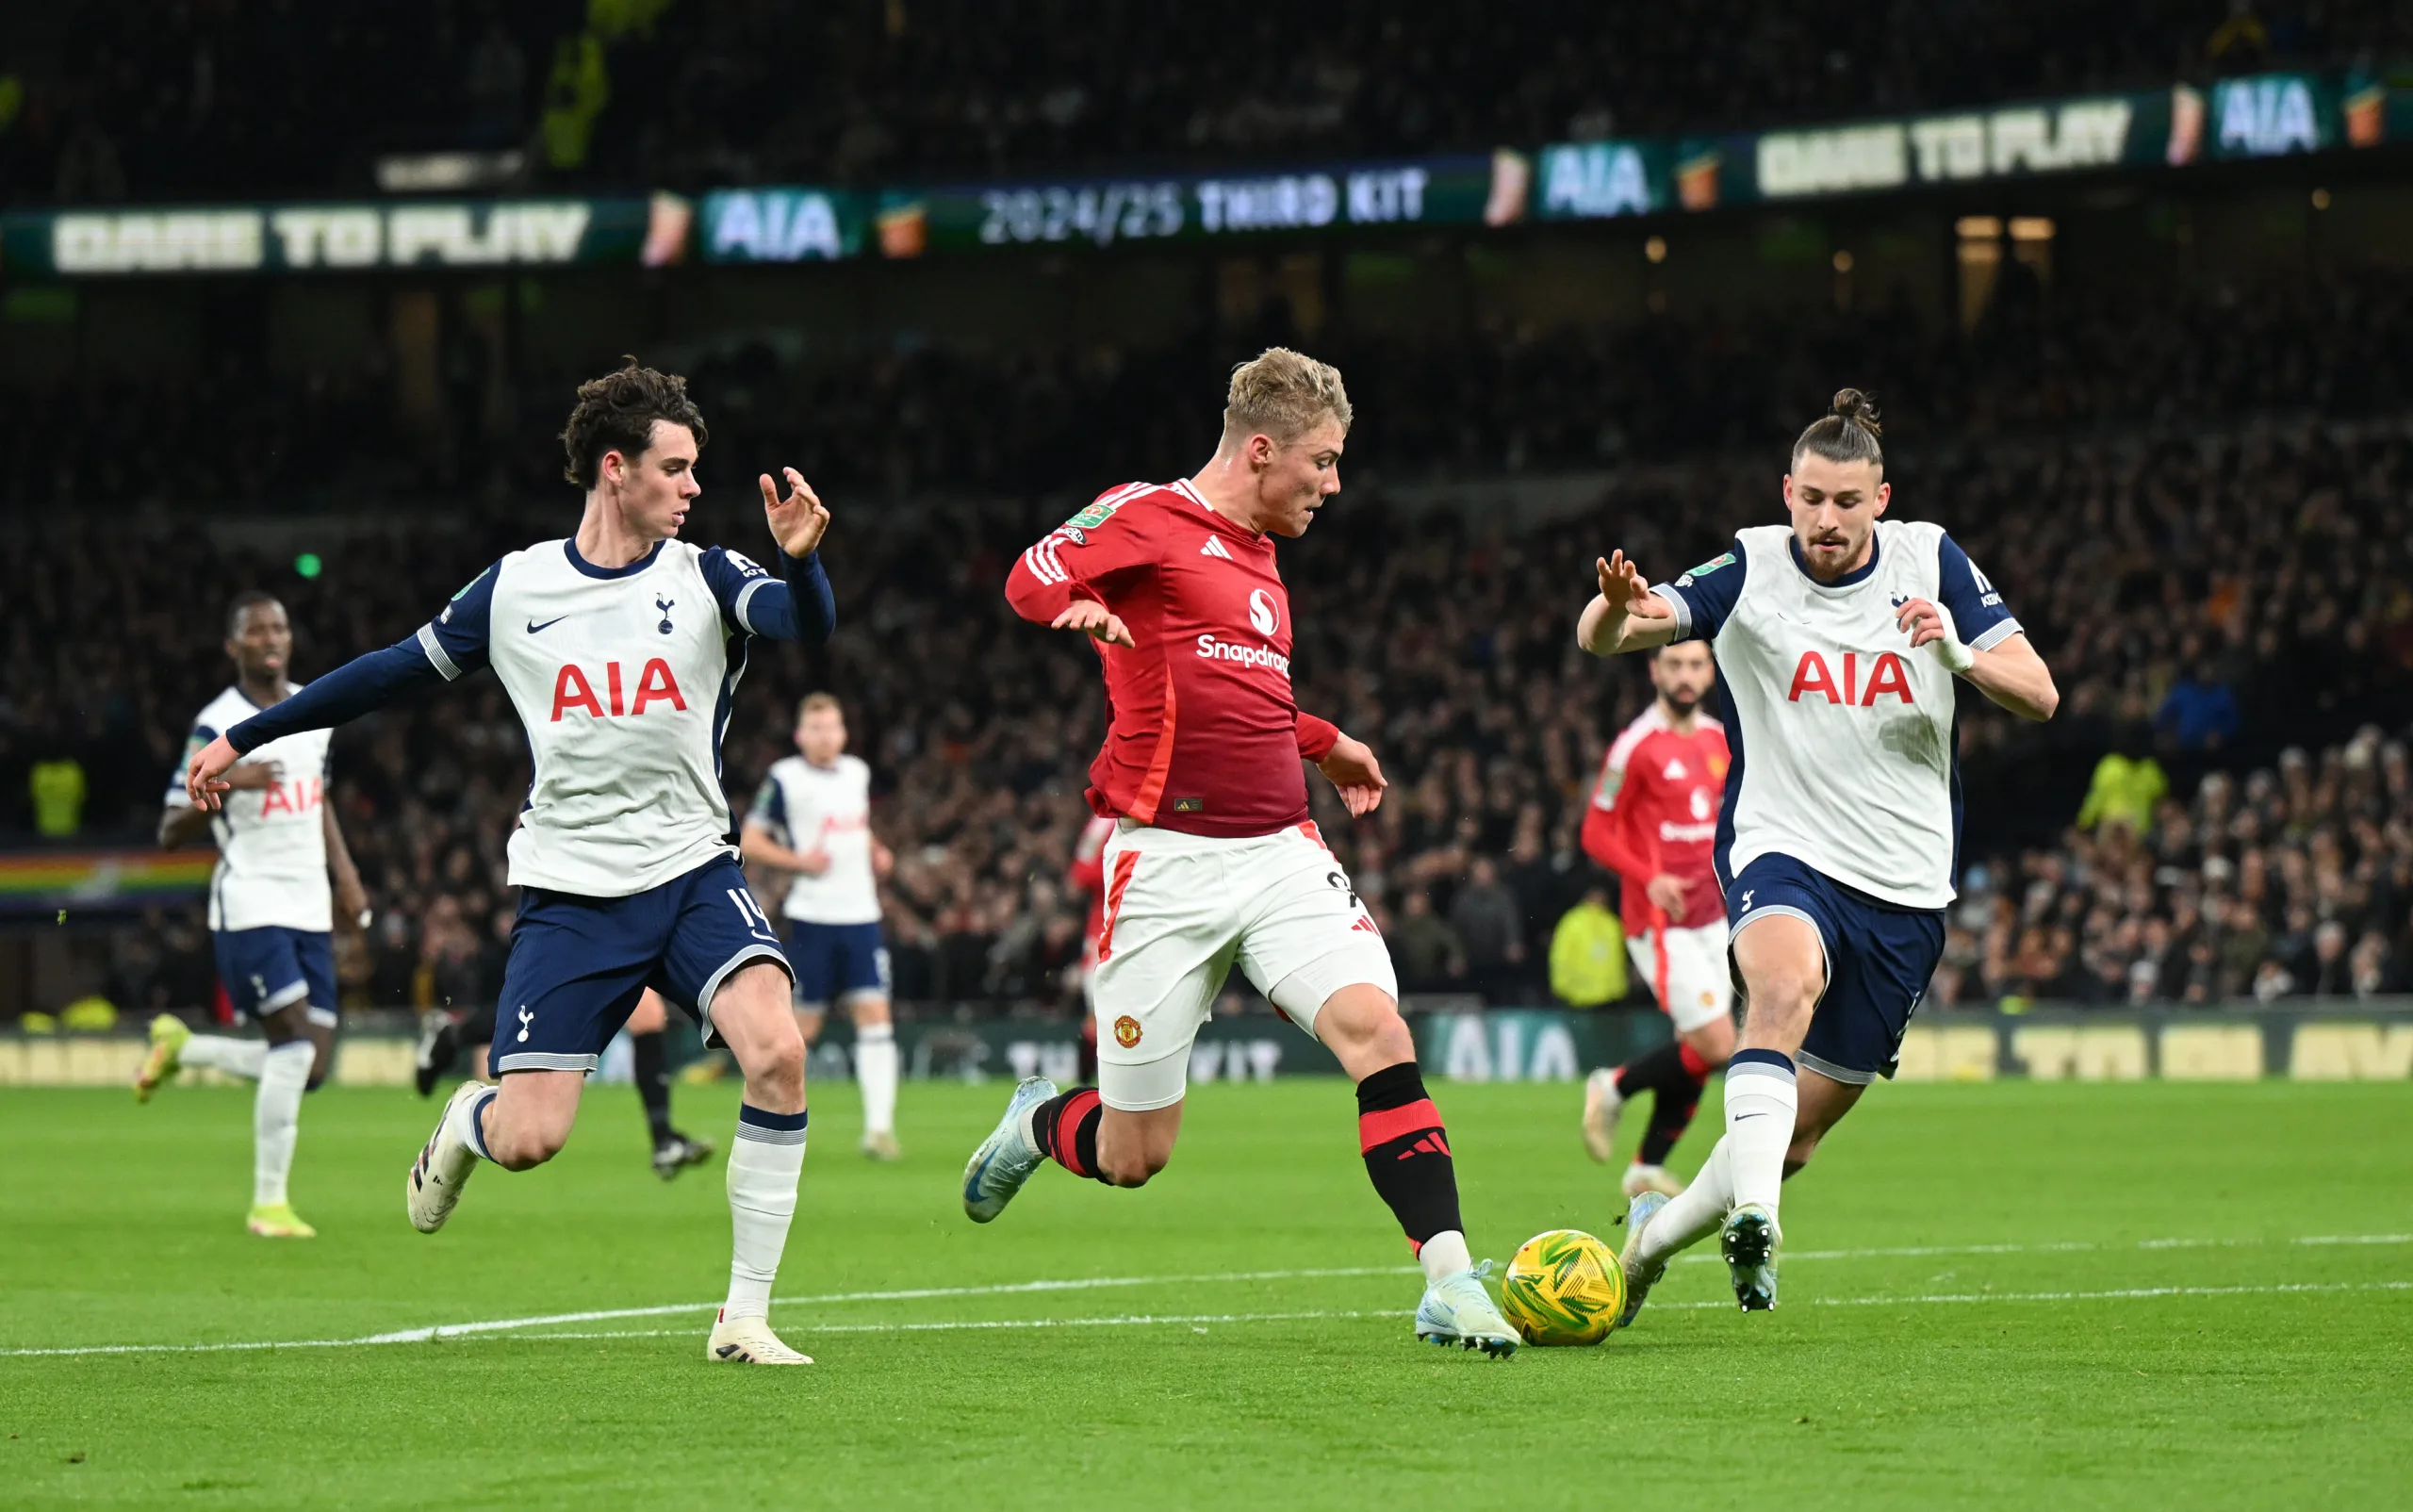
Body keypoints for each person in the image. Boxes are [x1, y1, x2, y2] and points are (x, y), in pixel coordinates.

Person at [183, 362, 837, 1364]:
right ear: (615, 470)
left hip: (693, 870)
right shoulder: (518, 585)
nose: (694, 487)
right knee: (532, 1137)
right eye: (676, 467)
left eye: (696, 469)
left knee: (778, 1052)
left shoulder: (706, 574)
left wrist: (803, 563)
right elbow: (386, 673)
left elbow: (809, 633)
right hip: (572, 893)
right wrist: (247, 736)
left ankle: (742, 1315)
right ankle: (466, 1118)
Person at [962, 347, 1521, 1356]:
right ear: (1262, 450)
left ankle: (1448, 1278)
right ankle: (1042, 1122)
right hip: (1166, 865)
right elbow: (1030, 572)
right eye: (1323, 461)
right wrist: (1072, 604)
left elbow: (1240, 694)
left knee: (1377, 1031)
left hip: (1279, 852)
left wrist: (1323, 737)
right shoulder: (1144, 512)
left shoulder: (1263, 558)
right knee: (1135, 1154)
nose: (1334, 483)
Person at [1576, 389, 2057, 1315]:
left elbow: (2038, 693)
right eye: (1811, 499)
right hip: (1781, 847)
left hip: (1905, 884)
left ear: (1881, 497)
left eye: (1846, 501)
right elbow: (1618, 630)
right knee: (1781, 985)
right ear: (1785, 491)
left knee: (1790, 1138)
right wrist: (1608, 614)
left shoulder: (1931, 557)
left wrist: (1959, 656)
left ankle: (1651, 1242)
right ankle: (1756, 1220)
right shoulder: (1751, 563)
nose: (1825, 519)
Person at [135, 591, 371, 1239]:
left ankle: (184, 1049)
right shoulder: (216, 725)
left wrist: (346, 878)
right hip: (251, 904)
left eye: (279, 627)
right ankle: (269, 1204)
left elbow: (316, 799)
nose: (271, 637)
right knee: (293, 1048)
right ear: (233, 646)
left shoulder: (314, 708)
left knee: (313, 1068)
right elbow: (167, 830)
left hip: (309, 906)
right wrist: (229, 779)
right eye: (256, 629)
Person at [1576, 640, 1734, 1199]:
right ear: (1654, 671)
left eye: (1695, 665)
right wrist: (1650, 876)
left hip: (1714, 917)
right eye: (1674, 665)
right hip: (1660, 923)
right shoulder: (1635, 747)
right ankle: (1612, 1086)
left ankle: (1646, 1166)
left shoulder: (1719, 739)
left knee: (1700, 1047)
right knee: (1717, 1045)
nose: (1686, 676)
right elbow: (1594, 832)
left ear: (1710, 670)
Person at [741, 693, 902, 1159]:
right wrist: (799, 862)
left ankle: (878, 1130)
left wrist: (876, 848)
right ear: (800, 736)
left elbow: (856, 823)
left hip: (862, 916)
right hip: (812, 915)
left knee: (875, 1017)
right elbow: (751, 840)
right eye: (816, 728)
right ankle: (776, 1123)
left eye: (832, 726)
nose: (826, 735)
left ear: (844, 733)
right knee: (801, 1029)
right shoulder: (785, 778)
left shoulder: (856, 772)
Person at [415, 987, 716, 1180]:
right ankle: (451, 1038)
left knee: (646, 1014)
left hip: (618, 908)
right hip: (578, 905)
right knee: (545, 1009)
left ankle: (663, 1140)